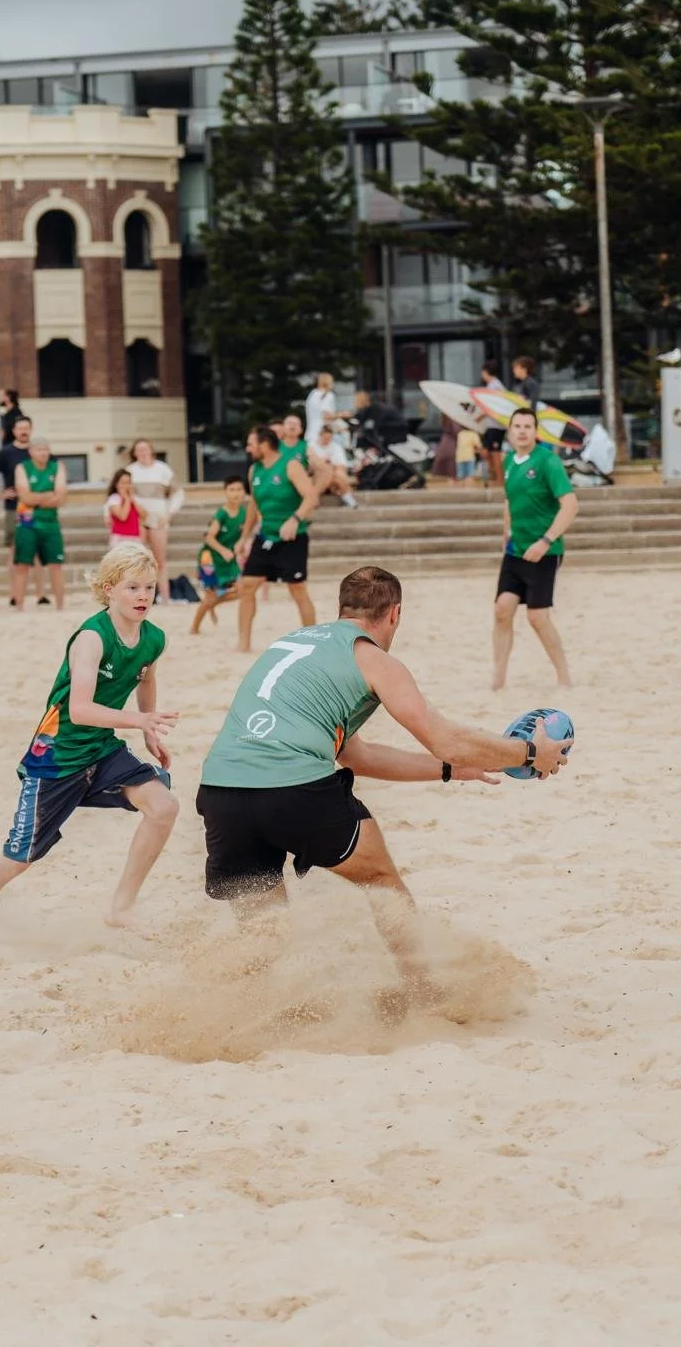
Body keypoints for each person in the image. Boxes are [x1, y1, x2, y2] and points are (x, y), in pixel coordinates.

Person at [196, 566, 569, 1002]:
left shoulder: (290, 644)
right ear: (395, 614)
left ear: (342, 608)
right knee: (381, 882)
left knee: (263, 935)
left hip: (221, 790)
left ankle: (202, 1003)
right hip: (293, 788)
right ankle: (427, 994)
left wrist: (449, 770)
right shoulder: (373, 658)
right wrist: (528, 754)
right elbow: (446, 739)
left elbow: (357, 755)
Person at [0, 543, 180, 936]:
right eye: (132, 588)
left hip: (102, 749)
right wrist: (137, 718)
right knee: (21, 855)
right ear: (109, 589)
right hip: (57, 756)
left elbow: (148, 678)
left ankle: (121, 908)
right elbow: (80, 709)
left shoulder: (153, 638)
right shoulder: (92, 638)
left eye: (149, 587)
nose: (143, 596)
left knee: (163, 807)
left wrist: (148, 730)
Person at [493, 407, 579, 690]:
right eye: (516, 426)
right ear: (510, 431)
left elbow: (570, 505)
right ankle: (499, 678)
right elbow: (509, 501)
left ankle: (564, 676)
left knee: (537, 617)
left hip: (545, 551)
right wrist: (505, 532)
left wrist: (546, 540)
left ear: (536, 431)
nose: (521, 431)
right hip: (515, 549)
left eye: (527, 426)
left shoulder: (548, 462)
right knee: (502, 609)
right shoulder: (507, 462)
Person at [236, 425, 318, 652]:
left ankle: (314, 642)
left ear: (264, 445)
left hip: (293, 538)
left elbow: (311, 496)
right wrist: (243, 538)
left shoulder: (291, 465)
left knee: (297, 589)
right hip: (266, 536)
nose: (247, 448)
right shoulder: (255, 470)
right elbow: (253, 505)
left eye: (251, 444)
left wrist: (294, 519)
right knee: (247, 585)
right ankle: (243, 644)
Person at [0, 417, 47, 606]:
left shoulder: (38, 451)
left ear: (31, 429)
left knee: (39, 552)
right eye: (20, 428)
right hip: (14, 509)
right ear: (14, 431)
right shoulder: (6, 453)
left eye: (27, 428)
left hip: (39, 508)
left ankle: (41, 594)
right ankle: (14, 594)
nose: (23, 431)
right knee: (14, 552)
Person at [12, 437, 68, 612]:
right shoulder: (22, 468)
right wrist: (47, 496)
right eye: (39, 449)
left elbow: (61, 497)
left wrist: (36, 498)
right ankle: (19, 604)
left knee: (56, 565)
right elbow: (25, 497)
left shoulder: (57, 466)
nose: (43, 453)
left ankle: (60, 605)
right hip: (27, 523)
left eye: (45, 449)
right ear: (31, 451)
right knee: (22, 565)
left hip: (51, 523)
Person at [191, 475, 248, 635]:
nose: (236, 493)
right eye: (232, 490)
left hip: (228, 560)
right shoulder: (221, 514)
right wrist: (223, 550)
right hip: (209, 559)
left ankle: (213, 604)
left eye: (239, 489)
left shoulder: (244, 513)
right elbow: (209, 537)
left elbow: (242, 535)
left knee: (243, 590)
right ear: (225, 492)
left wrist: (240, 547)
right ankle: (194, 627)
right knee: (209, 597)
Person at [127, 439, 180, 606]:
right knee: (137, 560)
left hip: (159, 520)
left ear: (151, 451)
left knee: (160, 561)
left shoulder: (163, 470)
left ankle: (165, 598)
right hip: (137, 520)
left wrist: (169, 514)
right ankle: (137, 598)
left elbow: (178, 493)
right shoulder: (130, 471)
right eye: (139, 450)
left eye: (145, 449)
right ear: (134, 453)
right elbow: (123, 493)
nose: (142, 452)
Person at [307, 426, 356, 506]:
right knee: (327, 472)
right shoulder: (311, 446)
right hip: (317, 475)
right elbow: (310, 464)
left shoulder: (336, 447)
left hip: (332, 475)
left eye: (329, 438)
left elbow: (342, 466)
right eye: (325, 438)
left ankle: (345, 495)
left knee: (338, 474)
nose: (327, 440)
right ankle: (347, 496)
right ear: (320, 435)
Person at [478, 360, 506, 487]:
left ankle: (500, 481)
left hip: (497, 426)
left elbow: (496, 406)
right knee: (484, 451)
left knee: (495, 453)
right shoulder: (491, 386)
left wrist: (481, 415)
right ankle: (494, 476)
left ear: (486, 372)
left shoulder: (496, 386)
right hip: (491, 425)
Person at [105, 468, 147, 543]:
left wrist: (132, 500)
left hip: (135, 538)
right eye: (123, 483)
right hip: (119, 539)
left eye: (128, 482)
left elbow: (144, 516)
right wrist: (127, 499)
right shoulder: (114, 498)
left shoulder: (134, 499)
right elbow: (123, 517)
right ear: (116, 484)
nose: (126, 485)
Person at [304, 372, 338, 446]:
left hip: (310, 434)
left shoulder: (312, 394)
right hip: (323, 437)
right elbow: (326, 416)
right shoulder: (328, 395)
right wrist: (343, 415)